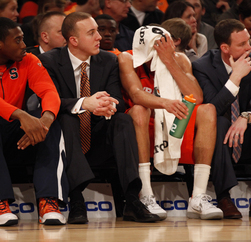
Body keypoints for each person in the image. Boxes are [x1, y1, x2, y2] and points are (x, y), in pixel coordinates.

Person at [38, 12, 160, 224]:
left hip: (99, 135)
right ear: (74, 40)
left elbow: (118, 101)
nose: (99, 37)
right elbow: (50, 101)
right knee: (67, 118)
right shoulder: (49, 61)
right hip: (68, 140)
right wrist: (85, 103)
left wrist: (106, 105)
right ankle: (76, 200)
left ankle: (132, 199)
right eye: (92, 32)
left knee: (122, 119)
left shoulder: (108, 60)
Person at [119, 25, 223, 220]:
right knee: (139, 110)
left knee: (208, 110)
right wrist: (164, 103)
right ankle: (146, 195)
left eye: (165, 45)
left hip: (173, 117)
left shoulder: (179, 59)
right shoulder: (127, 58)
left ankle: (198, 197)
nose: (162, 49)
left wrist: (169, 61)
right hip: (144, 121)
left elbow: (196, 97)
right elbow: (136, 95)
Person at [192, 19, 251, 219]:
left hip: (243, 134)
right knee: (220, 122)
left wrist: (246, 116)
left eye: (249, 41)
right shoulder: (202, 66)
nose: (249, 47)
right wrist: (235, 79)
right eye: (241, 45)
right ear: (225, 48)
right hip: (218, 137)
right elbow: (211, 109)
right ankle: (223, 197)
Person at [0, 17, 69, 226]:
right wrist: (21, 115)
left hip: (12, 135)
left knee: (53, 124)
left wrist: (46, 119)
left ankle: (48, 203)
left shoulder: (28, 59)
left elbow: (49, 91)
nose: (24, 45)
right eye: (18, 40)